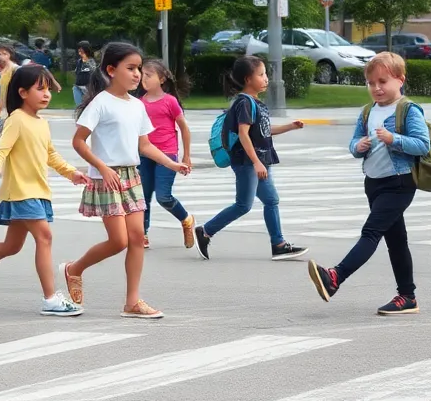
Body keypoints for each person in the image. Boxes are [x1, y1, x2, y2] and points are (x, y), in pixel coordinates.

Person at [58, 43, 190, 319]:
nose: (137, 74)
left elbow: (145, 145)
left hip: (131, 176)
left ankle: (132, 302)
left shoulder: (137, 106)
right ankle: (74, 269)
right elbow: (79, 142)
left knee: (137, 238)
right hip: (106, 176)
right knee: (118, 241)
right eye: (130, 68)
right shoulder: (101, 103)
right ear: (110, 70)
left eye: (139, 69)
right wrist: (102, 168)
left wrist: (171, 162)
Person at [0, 63, 89, 316]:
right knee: (45, 237)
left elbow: (50, 154)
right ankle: (50, 299)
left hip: (38, 191)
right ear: (22, 93)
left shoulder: (41, 122)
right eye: (39, 89)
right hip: (21, 191)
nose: (46, 94)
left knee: (12, 246)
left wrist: (71, 173)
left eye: (48, 89)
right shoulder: (17, 120)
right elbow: (1, 151)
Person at [307, 52, 430, 315]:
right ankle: (407, 297)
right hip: (373, 183)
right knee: (396, 241)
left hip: (399, 183)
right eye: (371, 83)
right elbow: (353, 145)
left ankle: (334, 277)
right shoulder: (367, 112)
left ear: (400, 80)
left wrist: (393, 139)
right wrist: (358, 147)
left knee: (371, 232)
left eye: (383, 81)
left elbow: (423, 145)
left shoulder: (408, 110)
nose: (376, 88)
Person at [194, 55, 309, 263]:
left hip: (260, 161)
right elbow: (244, 133)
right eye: (262, 74)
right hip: (248, 162)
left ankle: (279, 245)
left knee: (271, 200)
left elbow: (264, 131)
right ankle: (205, 231)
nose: (266, 78)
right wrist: (256, 162)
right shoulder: (244, 103)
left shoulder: (256, 103)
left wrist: (290, 126)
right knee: (243, 205)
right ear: (248, 79)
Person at [137, 59, 195, 250]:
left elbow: (184, 129)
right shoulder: (139, 103)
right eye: (142, 74)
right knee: (143, 197)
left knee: (163, 197)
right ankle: (142, 234)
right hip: (144, 155)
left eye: (148, 75)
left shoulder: (170, 101)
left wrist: (186, 156)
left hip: (167, 155)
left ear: (161, 79)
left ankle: (186, 219)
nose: (143, 78)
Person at [0, 42, 18, 138]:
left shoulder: (15, 69)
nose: (1, 56)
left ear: (10, 55)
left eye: (4, 54)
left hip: (13, 110)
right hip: (4, 111)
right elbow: (2, 92)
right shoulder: (2, 70)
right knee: (3, 138)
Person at [72, 41, 95, 107]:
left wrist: (86, 61)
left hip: (88, 87)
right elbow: (77, 72)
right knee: (79, 106)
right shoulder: (79, 61)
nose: (80, 53)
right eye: (79, 51)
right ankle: (80, 116)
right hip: (78, 86)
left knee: (89, 106)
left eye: (81, 52)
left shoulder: (92, 60)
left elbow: (93, 70)